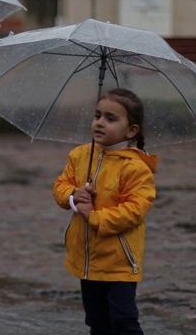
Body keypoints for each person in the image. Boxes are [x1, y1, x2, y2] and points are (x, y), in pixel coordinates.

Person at [52, 88, 159, 334]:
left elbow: (135, 211)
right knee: (97, 322)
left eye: (111, 119)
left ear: (131, 130)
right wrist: (73, 196)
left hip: (118, 261)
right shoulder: (80, 156)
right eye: (97, 115)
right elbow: (60, 185)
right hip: (87, 259)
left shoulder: (135, 169)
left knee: (123, 322)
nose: (100, 123)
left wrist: (94, 216)